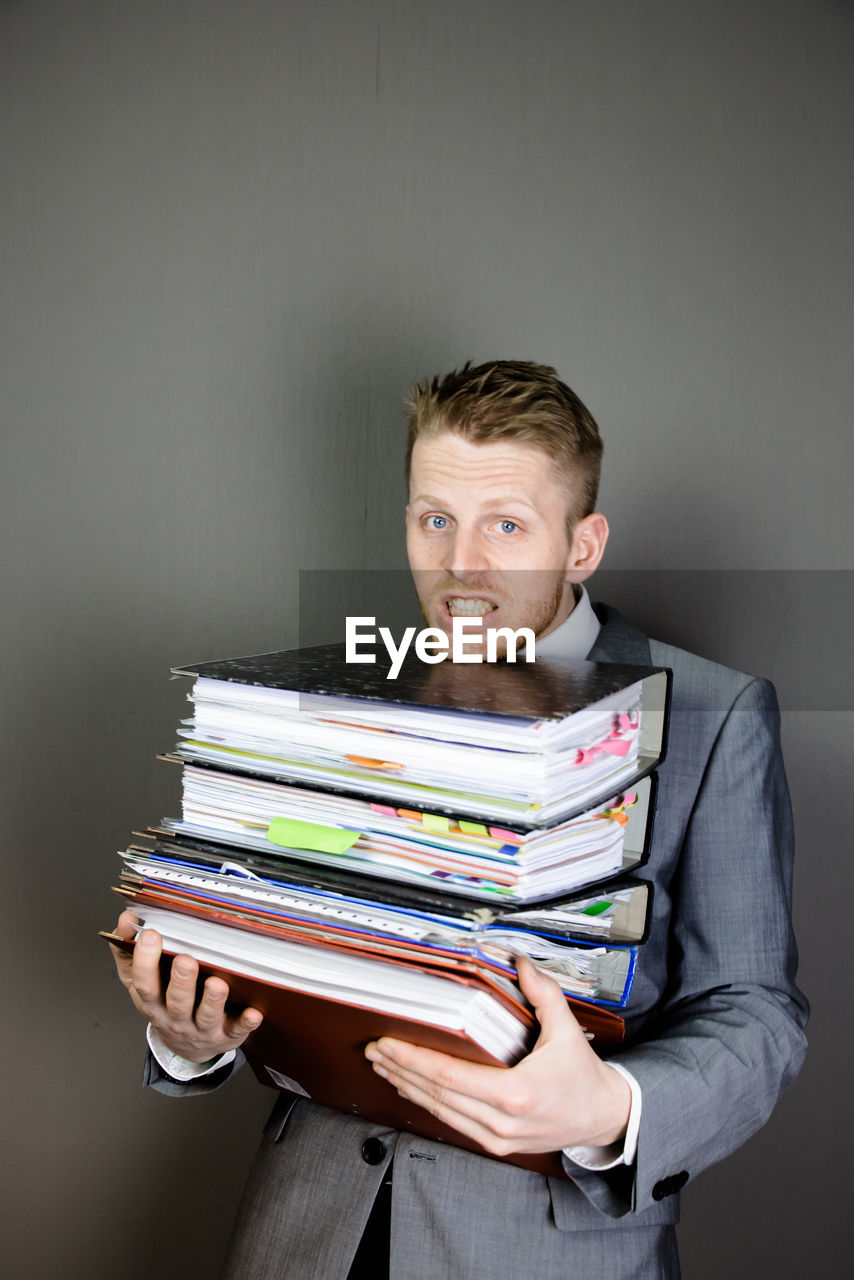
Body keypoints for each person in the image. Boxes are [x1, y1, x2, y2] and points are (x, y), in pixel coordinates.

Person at [110, 361, 808, 1279]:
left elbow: (755, 1011)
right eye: (434, 519)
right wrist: (192, 1040)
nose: (461, 565)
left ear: (583, 545)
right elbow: (290, 936)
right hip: (308, 1232)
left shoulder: (714, 716)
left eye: (506, 525)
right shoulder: (339, 695)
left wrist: (609, 1110)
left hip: (545, 1248)